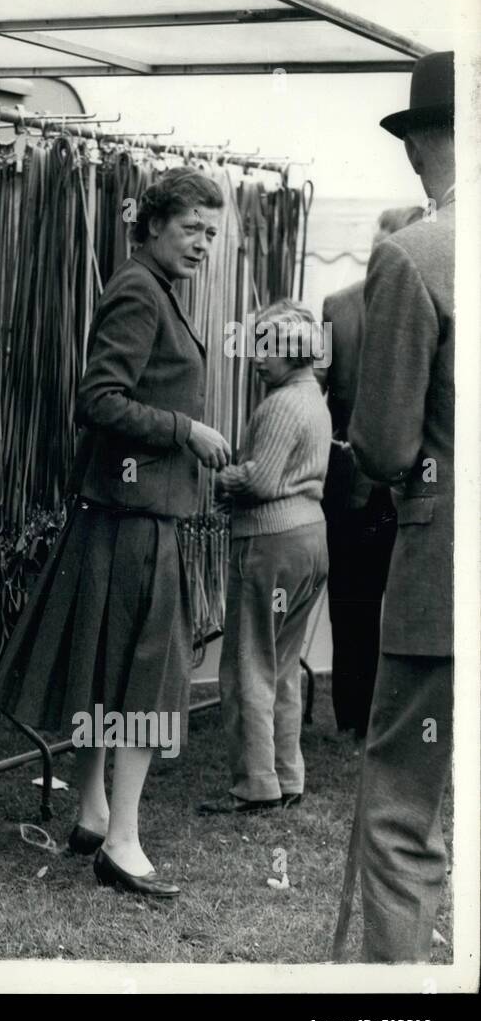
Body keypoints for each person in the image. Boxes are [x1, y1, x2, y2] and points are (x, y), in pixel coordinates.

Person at [0, 167, 231, 899]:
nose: (203, 244)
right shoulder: (137, 290)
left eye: (211, 234)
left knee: (106, 671)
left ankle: (94, 813)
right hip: (133, 522)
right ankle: (122, 843)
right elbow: (97, 399)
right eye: (192, 228)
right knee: (144, 684)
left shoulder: (151, 288)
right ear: (153, 221)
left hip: (126, 517)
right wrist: (184, 430)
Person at [347, 51, 454, 962]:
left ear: (421, 143)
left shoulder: (415, 253)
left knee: (402, 816)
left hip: (448, 578)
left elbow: (382, 445)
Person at [200, 300, 330, 815]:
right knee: (281, 664)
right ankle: (287, 774)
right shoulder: (313, 398)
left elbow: (259, 480)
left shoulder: (279, 405)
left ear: (294, 353)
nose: (256, 358)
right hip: (311, 540)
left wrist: (219, 478)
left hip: (270, 541)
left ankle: (256, 782)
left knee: (247, 663)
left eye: (268, 349)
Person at [320, 205, 424, 739]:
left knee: (397, 609)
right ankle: (355, 715)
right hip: (357, 485)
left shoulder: (425, 302)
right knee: (355, 603)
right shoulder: (336, 307)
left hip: (406, 486)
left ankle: (375, 716)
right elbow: (311, 391)